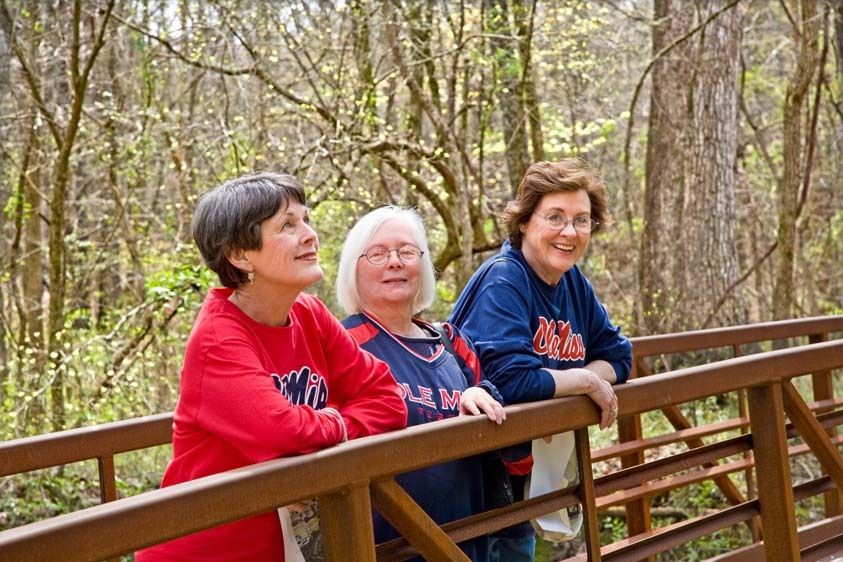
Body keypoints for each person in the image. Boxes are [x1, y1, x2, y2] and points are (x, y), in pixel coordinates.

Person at [136, 173, 407, 562]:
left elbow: (388, 399)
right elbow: (282, 432)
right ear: (240, 254)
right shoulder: (219, 337)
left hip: (282, 548)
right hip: (204, 549)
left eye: (306, 219)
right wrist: (333, 427)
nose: (310, 235)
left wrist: (324, 433)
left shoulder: (310, 314)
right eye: (287, 226)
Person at [449, 159, 632, 561]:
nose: (570, 232)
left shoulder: (571, 282)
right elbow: (512, 383)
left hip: (521, 479)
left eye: (582, 220)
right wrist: (585, 381)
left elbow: (619, 355)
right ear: (525, 222)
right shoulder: (504, 280)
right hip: (472, 486)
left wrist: (589, 376)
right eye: (555, 217)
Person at [336, 206, 506, 562]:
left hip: (467, 540)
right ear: (354, 268)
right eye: (377, 253)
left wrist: (480, 393)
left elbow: (494, 396)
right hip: (387, 548)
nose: (394, 262)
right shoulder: (341, 344)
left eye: (407, 251)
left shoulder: (450, 340)